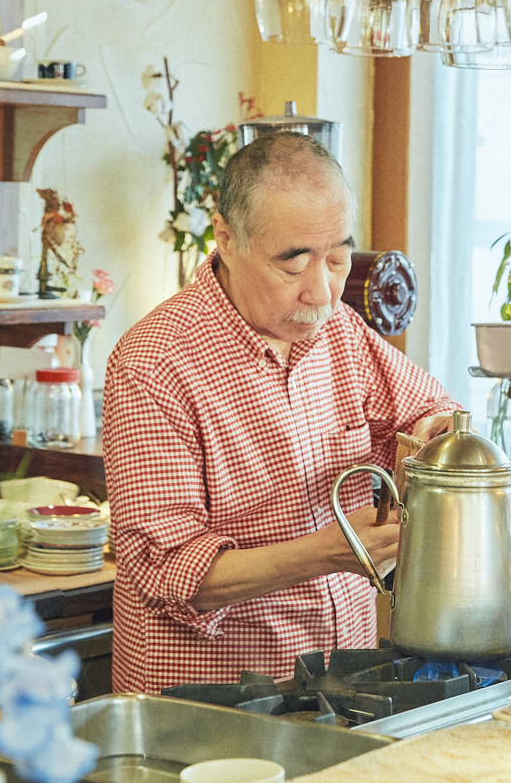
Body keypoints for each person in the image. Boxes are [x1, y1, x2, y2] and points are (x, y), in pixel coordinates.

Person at [102, 131, 456, 693]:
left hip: (345, 683)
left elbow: (430, 411)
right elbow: (166, 570)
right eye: (293, 266)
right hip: (211, 701)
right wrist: (327, 553)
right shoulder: (155, 363)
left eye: (337, 259)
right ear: (225, 238)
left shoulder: (338, 330)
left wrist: (437, 440)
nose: (322, 293)